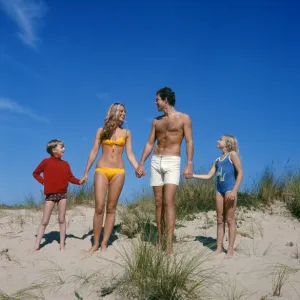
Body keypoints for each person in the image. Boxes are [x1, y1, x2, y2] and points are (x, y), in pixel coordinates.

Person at [135, 87, 194, 254]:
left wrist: (189, 163)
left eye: (157, 100)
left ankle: (169, 244)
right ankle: (160, 240)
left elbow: (189, 141)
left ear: (165, 100)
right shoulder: (156, 121)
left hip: (173, 161)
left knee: (169, 202)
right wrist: (141, 163)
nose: (155, 103)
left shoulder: (184, 118)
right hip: (156, 161)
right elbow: (149, 143)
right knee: (158, 203)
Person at [80, 103, 139, 254]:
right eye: (121, 111)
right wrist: (86, 172)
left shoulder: (126, 132)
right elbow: (94, 151)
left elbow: (130, 153)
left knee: (111, 208)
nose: (124, 114)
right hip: (101, 170)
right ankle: (95, 244)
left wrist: (137, 167)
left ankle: (104, 244)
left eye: (125, 111)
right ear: (113, 112)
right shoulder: (101, 130)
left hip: (119, 171)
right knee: (99, 207)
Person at [192, 135, 243, 258]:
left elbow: (241, 172)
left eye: (220, 139)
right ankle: (219, 248)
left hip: (230, 190)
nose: (217, 141)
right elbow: (209, 176)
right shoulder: (217, 160)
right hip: (219, 191)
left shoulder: (233, 155)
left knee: (230, 220)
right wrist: (192, 175)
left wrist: (234, 191)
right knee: (220, 220)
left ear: (227, 143)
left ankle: (230, 250)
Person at [30, 139, 82, 252]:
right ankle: (36, 246)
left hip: (62, 194)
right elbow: (35, 173)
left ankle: (62, 245)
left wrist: (79, 182)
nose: (64, 149)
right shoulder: (45, 162)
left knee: (62, 219)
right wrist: (43, 181)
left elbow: (70, 178)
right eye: (61, 147)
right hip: (50, 195)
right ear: (54, 150)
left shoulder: (66, 164)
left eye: (63, 147)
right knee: (44, 221)